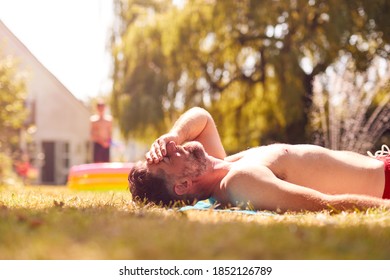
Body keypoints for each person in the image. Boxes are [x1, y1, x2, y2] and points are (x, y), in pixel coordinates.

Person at [128, 107, 390, 212]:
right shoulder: (240, 181)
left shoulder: (220, 163)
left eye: (165, 147)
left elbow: (202, 117)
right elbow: (326, 205)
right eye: (166, 158)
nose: (173, 147)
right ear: (183, 185)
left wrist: (172, 133)